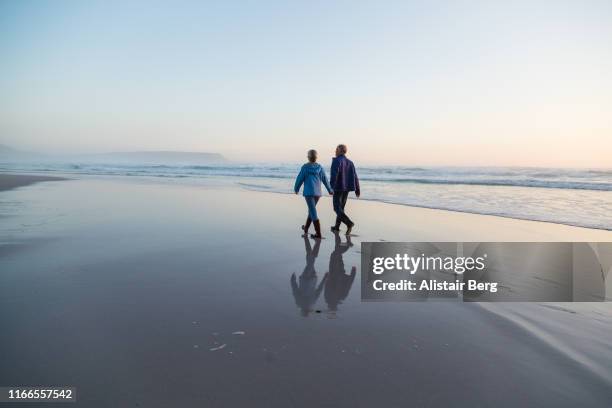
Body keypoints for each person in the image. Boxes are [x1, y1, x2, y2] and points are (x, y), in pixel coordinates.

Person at [294, 149, 333, 239]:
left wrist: (296, 188)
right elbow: (325, 179)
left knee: (313, 211)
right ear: (316, 158)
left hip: (308, 193)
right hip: (317, 193)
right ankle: (306, 228)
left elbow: (300, 178)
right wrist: (330, 190)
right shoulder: (320, 167)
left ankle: (318, 233)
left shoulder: (305, 167)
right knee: (311, 210)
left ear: (308, 157)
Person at [330, 144, 360, 235]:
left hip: (338, 187)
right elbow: (355, 176)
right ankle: (337, 227)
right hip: (346, 188)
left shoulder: (337, 161)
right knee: (341, 208)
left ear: (341, 151)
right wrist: (357, 189)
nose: (335, 151)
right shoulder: (350, 162)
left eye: (336, 149)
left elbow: (334, 175)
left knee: (336, 208)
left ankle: (349, 223)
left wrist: (331, 186)